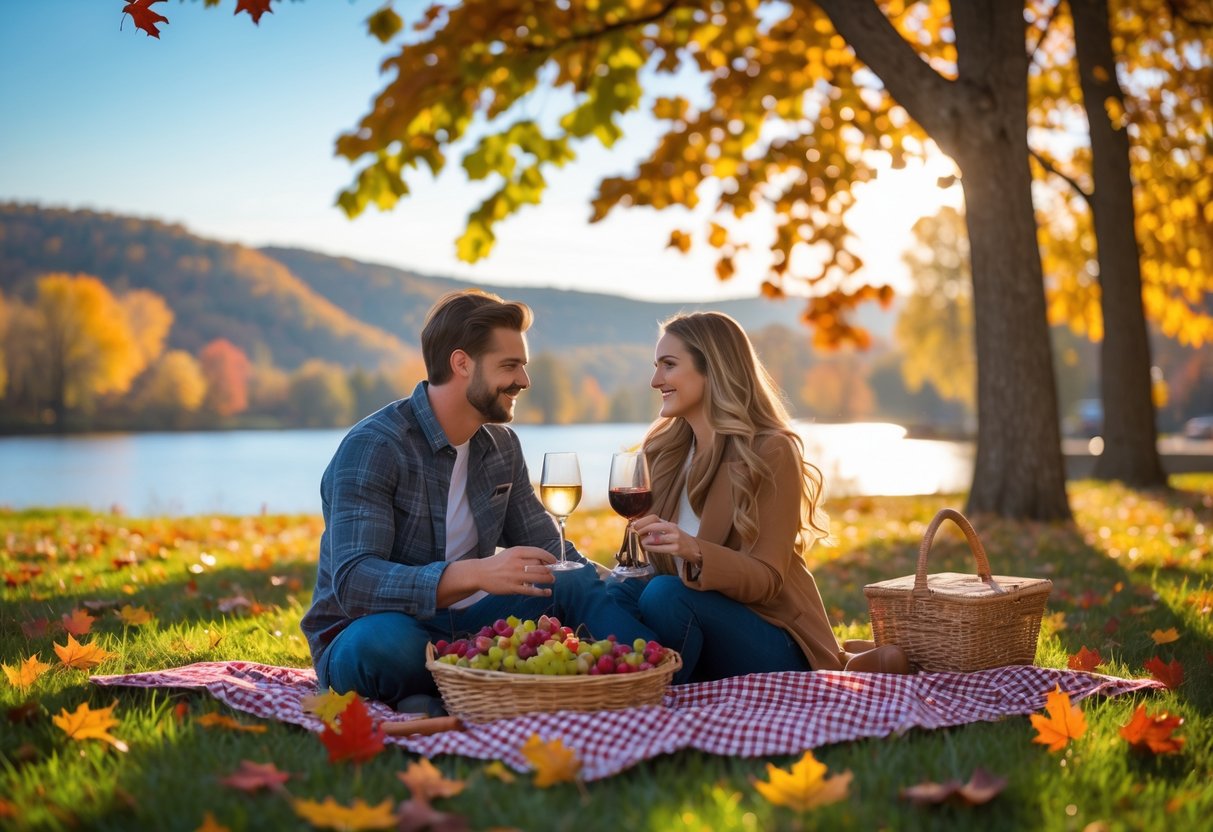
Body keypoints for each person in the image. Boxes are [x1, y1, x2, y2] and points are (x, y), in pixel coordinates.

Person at [300, 289, 655, 711]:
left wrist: (607, 582)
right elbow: (356, 582)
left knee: (572, 577)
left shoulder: (501, 446)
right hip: (374, 629)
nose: (524, 380)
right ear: (462, 363)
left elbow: (551, 551)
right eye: (510, 365)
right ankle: (465, 685)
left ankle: (653, 673)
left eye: (523, 365)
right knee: (383, 644)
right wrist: (476, 573)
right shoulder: (375, 446)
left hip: (471, 628)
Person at [607, 312, 909, 683]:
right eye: (656, 366)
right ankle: (623, 689)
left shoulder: (769, 450)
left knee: (664, 596)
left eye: (668, 365)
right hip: (695, 625)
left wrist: (695, 550)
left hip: (770, 636)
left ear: (712, 369)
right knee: (614, 593)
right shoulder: (663, 452)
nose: (656, 380)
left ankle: (653, 694)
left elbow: (766, 578)